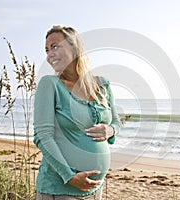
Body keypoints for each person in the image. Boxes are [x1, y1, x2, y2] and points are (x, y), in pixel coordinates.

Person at [33, 25, 121, 199]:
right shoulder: (50, 84)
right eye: (47, 50)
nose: (49, 54)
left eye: (55, 46)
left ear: (74, 47)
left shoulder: (102, 85)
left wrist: (110, 130)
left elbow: (116, 122)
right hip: (60, 189)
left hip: (96, 190)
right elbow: (42, 136)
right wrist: (69, 176)